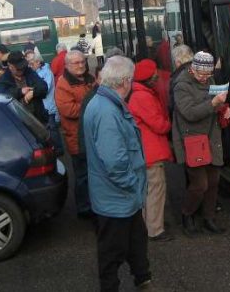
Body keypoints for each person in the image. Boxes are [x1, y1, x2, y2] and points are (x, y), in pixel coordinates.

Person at [83, 56, 151, 291]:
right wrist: (133, 184)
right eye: (131, 79)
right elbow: (115, 161)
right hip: (117, 198)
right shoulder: (107, 111)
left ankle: (143, 278)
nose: (132, 83)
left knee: (136, 242)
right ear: (124, 81)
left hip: (119, 198)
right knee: (112, 254)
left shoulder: (102, 103)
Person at [172, 51, 230, 236]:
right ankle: (187, 214)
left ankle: (209, 218)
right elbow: (189, 113)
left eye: (208, 74)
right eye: (201, 74)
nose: (205, 78)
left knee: (214, 181)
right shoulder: (181, 85)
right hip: (193, 140)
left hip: (212, 137)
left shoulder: (210, 81)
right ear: (193, 69)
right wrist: (213, 103)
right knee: (200, 184)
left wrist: (225, 109)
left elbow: (216, 105)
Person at [127, 59, 174, 242]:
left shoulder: (138, 94)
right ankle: (155, 229)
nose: (157, 75)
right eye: (155, 72)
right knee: (156, 191)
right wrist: (169, 123)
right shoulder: (143, 97)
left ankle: (150, 224)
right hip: (151, 152)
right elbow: (160, 125)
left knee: (148, 191)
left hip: (145, 152)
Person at [55, 49, 96, 218]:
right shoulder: (63, 84)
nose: (80, 65)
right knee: (82, 176)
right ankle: (84, 209)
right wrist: (94, 107)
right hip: (77, 139)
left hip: (93, 135)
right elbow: (68, 110)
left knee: (94, 174)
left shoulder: (90, 79)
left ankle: (95, 204)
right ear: (67, 65)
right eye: (76, 63)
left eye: (82, 62)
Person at [27, 51, 64, 156]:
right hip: (43, 107)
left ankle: (59, 150)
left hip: (48, 106)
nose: (30, 66)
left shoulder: (46, 72)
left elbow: (45, 88)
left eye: (32, 63)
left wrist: (32, 91)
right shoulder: (35, 73)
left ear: (38, 62)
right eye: (29, 64)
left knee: (52, 129)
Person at [0, 51, 49, 125]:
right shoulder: (4, 80)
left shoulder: (29, 72)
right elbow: (1, 97)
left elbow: (43, 86)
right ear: (10, 66)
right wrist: (20, 91)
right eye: (18, 68)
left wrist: (32, 93)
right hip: (18, 122)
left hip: (38, 119)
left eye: (23, 67)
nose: (21, 70)